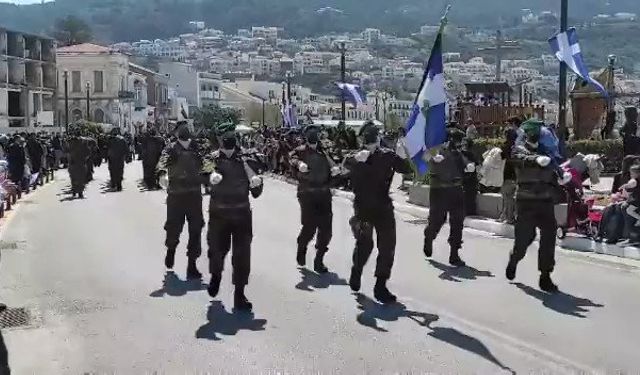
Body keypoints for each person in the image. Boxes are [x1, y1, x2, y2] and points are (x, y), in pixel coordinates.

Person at [344, 122, 412, 304]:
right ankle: (357, 270)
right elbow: (344, 167)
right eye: (367, 140)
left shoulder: (387, 156)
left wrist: (405, 154)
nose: (370, 144)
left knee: (388, 246)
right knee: (365, 245)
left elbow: (407, 169)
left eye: (373, 140)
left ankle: (380, 286)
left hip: (383, 206)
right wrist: (357, 159)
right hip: (363, 207)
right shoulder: (355, 156)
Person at [506, 119, 571, 293]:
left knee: (549, 237)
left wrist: (561, 177)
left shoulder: (547, 152)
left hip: (545, 200)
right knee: (524, 240)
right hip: (526, 201)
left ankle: (545, 276)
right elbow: (520, 159)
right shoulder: (518, 149)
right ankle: (514, 259)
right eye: (534, 132)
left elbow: (556, 169)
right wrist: (536, 159)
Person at [206, 124, 264, 311]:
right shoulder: (212, 159)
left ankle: (239, 294)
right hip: (219, 214)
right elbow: (203, 172)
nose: (228, 138)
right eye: (225, 135)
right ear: (221, 138)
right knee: (216, 251)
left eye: (231, 134)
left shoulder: (247, 158)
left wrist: (257, 183)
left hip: (241, 214)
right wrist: (209, 177)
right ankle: (216, 276)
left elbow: (257, 187)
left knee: (242, 256)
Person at [289, 125, 341, 273]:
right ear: (306, 135)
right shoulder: (300, 151)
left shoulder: (324, 151)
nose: (314, 136)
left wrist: (336, 170)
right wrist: (299, 164)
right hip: (307, 193)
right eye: (311, 133)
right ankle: (302, 246)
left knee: (326, 230)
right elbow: (291, 158)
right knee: (309, 227)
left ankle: (319, 259)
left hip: (324, 193)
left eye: (316, 133)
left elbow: (333, 163)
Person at [157, 124, 204, 280]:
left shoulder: (197, 148)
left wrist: (213, 175)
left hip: (194, 195)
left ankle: (192, 264)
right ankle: (171, 250)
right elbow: (162, 161)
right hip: (176, 195)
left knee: (196, 230)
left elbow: (208, 163)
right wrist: (162, 174)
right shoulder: (171, 148)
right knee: (173, 227)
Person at [423, 129, 475, 267]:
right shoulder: (436, 150)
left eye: (460, 142)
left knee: (457, 223)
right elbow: (423, 157)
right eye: (457, 141)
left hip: (456, 190)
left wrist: (469, 166)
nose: (458, 145)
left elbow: (465, 163)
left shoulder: (458, 154)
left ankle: (454, 254)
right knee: (437, 221)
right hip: (439, 190)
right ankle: (429, 236)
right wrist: (432, 158)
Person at [66, 129, 91, 199]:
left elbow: (66, 150)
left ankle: (74, 191)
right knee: (81, 177)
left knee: (73, 176)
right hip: (81, 162)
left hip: (73, 162)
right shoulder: (84, 141)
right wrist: (85, 159)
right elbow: (88, 152)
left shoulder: (70, 141)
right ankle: (80, 193)